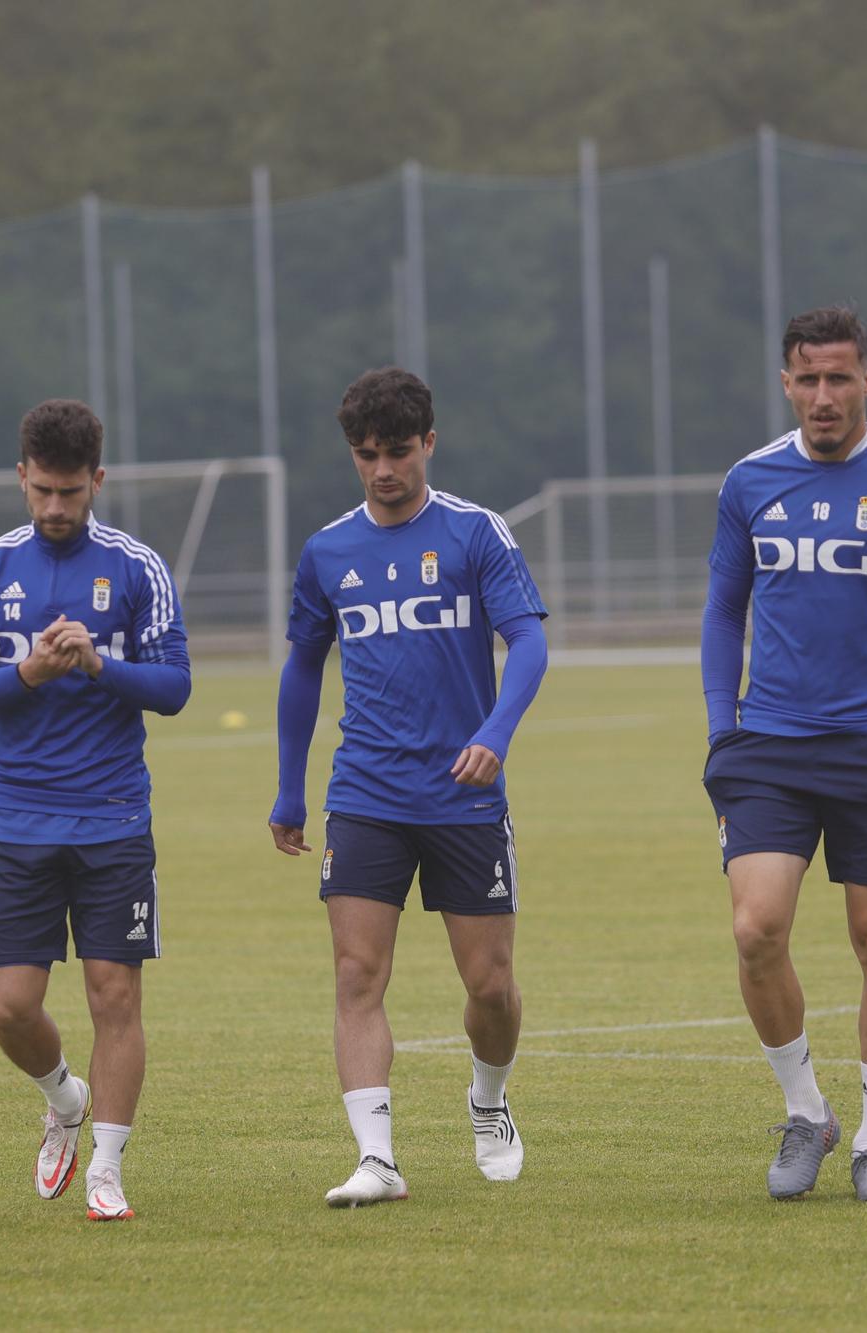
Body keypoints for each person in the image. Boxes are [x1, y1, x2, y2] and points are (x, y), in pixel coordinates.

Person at [700, 306, 867, 1203]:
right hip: (769, 747)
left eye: (840, 377)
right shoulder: (750, 480)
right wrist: (721, 729)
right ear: (787, 383)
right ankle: (805, 1112)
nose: (824, 395)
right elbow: (722, 611)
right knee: (755, 930)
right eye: (808, 379)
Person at [268, 367, 549, 1208]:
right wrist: (291, 789)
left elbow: (528, 643)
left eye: (397, 452)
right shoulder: (328, 551)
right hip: (365, 794)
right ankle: (377, 1158)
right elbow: (301, 670)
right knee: (357, 973)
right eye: (366, 455)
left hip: (463, 796)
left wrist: (494, 735)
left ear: (429, 443)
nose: (382, 469)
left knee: (489, 985)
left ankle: (489, 1100)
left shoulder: (476, 535)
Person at [0, 398, 191, 1222]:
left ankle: (107, 1169)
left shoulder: (138, 568)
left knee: (115, 997)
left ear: (97, 482)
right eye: (42, 490)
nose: (54, 507)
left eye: (70, 493)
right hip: (15, 822)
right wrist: (31, 675)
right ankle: (64, 1097)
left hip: (114, 818)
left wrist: (98, 664)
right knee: (8, 1003)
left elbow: (176, 686)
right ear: (21, 477)